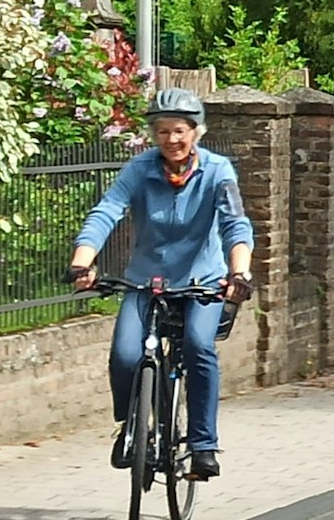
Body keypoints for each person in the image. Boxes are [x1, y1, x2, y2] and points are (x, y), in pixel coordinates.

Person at [70, 89, 255, 482]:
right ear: (154, 135)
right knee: (124, 355)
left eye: (180, 130)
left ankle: (203, 445)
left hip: (200, 283)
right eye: (163, 131)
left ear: (196, 132)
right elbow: (106, 212)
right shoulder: (140, 170)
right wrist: (82, 261)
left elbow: (235, 225)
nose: (172, 139)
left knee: (199, 345)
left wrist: (239, 273)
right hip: (146, 282)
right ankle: (132, 426)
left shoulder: (218, 171)